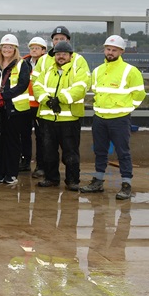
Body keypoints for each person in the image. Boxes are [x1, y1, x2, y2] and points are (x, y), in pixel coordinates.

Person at [81, 35, 146, 200]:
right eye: (108, 49)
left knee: (123, 152)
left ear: (121, 51)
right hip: (100, 118)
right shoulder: (98, 71)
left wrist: (127, 108)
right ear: (104, 50)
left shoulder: (130, 71)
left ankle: (126, 184)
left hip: (120, 119)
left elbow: (139, 94)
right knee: (100, 151)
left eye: (114, 50)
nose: (110, 52)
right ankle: (98, 181)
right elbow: (95, 91)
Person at [32, 40, 88, 191]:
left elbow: (80, 88)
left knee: (70, 153)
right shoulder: (48, 70)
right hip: (47, 118)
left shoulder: (76, 69)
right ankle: (51, 178)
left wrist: (59, 99)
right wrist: (48, 101)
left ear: (71, 55)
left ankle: (72, 180)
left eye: (64, 54)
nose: (61, 57)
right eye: (58, 54)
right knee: (48, 152)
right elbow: (37, 86)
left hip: (69, 119)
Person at [0, 34, 32, 185]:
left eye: (10, 47)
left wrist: (4, 96)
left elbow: (23, 85)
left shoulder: (22, 64)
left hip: (16, 110)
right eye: (4, 47)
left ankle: (11, 173)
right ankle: (0, 173)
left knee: (13, 142)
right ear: (0, 49)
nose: (7, 49)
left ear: (15, 49)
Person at [24, 37, 48, 177]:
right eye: (32, 47)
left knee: (41, 137)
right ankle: (25, 162)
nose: (34, 50)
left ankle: (41, 165)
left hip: (41, 106)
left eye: (37, 48)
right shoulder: (23, 63)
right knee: (24, 135)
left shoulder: (48, 64)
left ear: (44, 50)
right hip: (25, 105)